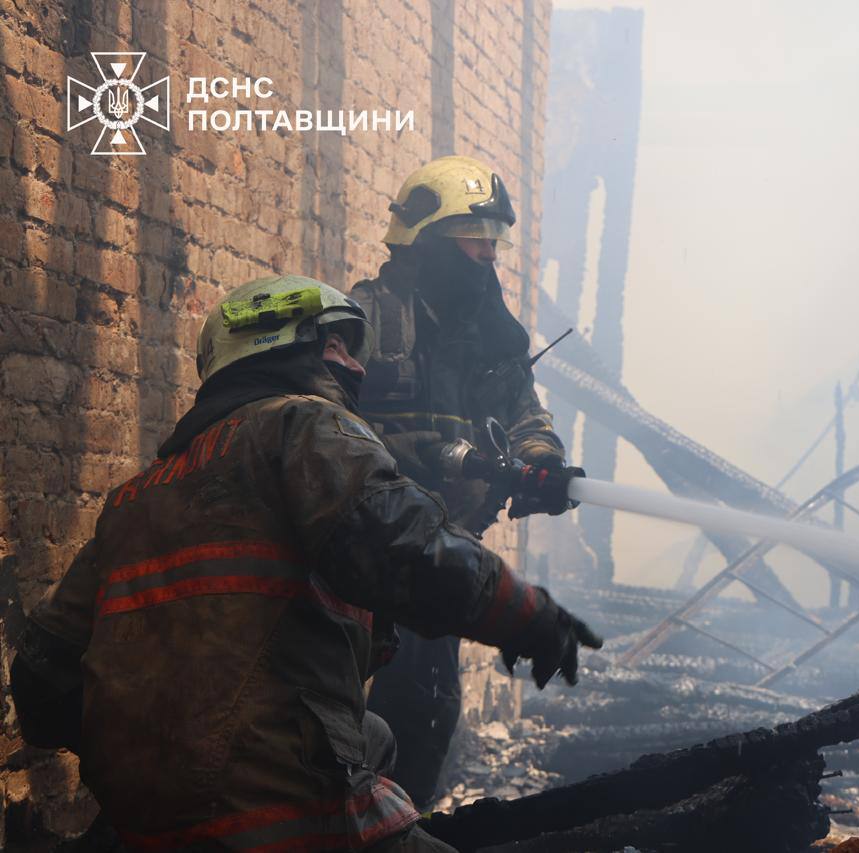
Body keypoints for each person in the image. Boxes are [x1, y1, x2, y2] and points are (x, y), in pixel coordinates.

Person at [9, 275, 601, 851]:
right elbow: (402, 543)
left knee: (373, 736)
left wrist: (150, 743)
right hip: (270, 808)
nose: (358, 367)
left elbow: (41, 681)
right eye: (338, 344)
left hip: (139, 813)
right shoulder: (303, 424)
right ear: (277, 347)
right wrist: (527, 614)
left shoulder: (134, 497)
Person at [352, 155, 581, 806]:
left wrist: (541, 460)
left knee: (429, 710)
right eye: (473, 240)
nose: (488, 257)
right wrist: (420, 453)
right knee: (340, 712)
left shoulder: (492, 333)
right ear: (428, 242)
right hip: (360, 554)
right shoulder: (365, 319)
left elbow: (525, 411)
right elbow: (319, 424)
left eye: (494, 242)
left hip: (442, 556)